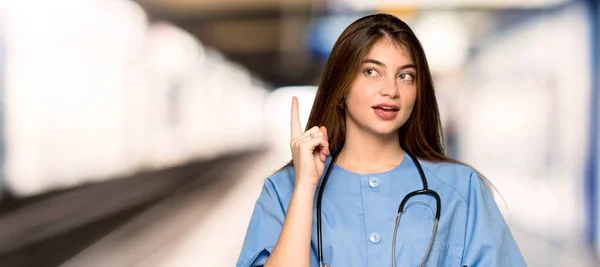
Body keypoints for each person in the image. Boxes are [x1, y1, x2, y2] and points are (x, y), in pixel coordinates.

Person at [236, 13, 526, 267]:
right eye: (371, 72)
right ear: (341, 84)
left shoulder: (461, 189)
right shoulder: (283, 191)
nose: (391, 89)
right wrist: (305, 187)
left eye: (406, 76)